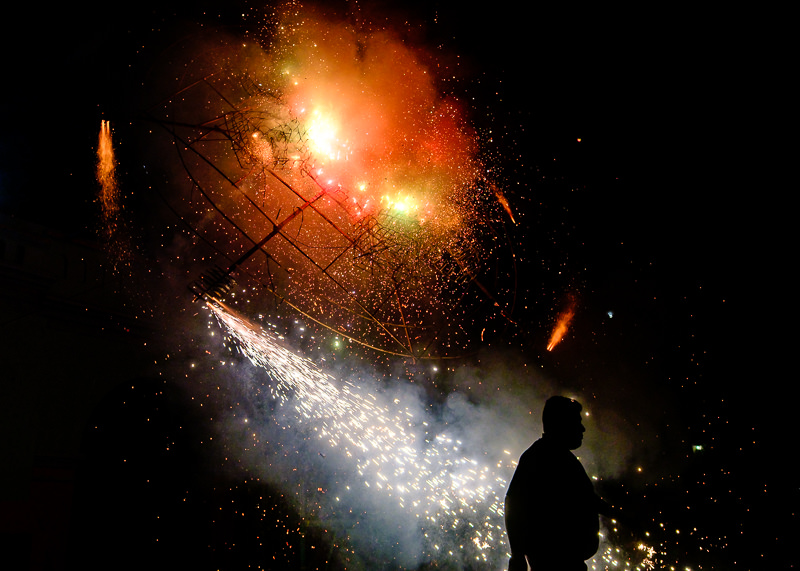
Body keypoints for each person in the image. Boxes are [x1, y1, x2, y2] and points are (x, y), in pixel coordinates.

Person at [504, 396, 614, 571]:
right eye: (577, 422)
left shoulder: (561, 458)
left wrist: (623, 517)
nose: (582, 428)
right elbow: (513, 503)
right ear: (561, 424)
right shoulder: (541, 457)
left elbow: (588, 499)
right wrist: (517, 556)